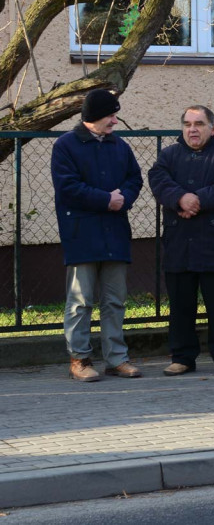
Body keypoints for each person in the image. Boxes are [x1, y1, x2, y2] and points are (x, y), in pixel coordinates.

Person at [51, 89, 144, 381]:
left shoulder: (120, 146)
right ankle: (79, 359)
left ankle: (116, 359)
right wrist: (107, 200)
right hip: (82, 233)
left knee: (114, 300)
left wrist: (122, 199)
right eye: (111, 115)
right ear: (93, 117)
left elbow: (135, 179)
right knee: (80, 301)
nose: (115, 121)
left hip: (115, 232)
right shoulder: (65, 146)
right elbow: (67, 187)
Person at [148, 106, 214, 376]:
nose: (192, 129)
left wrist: (196, 199)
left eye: (199, 123)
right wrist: (179, 197)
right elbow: (157, 179)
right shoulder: (168, 155)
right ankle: (182, 357)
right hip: (180, 241)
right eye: (188, 124)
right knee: (181, 305)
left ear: (213, 128)